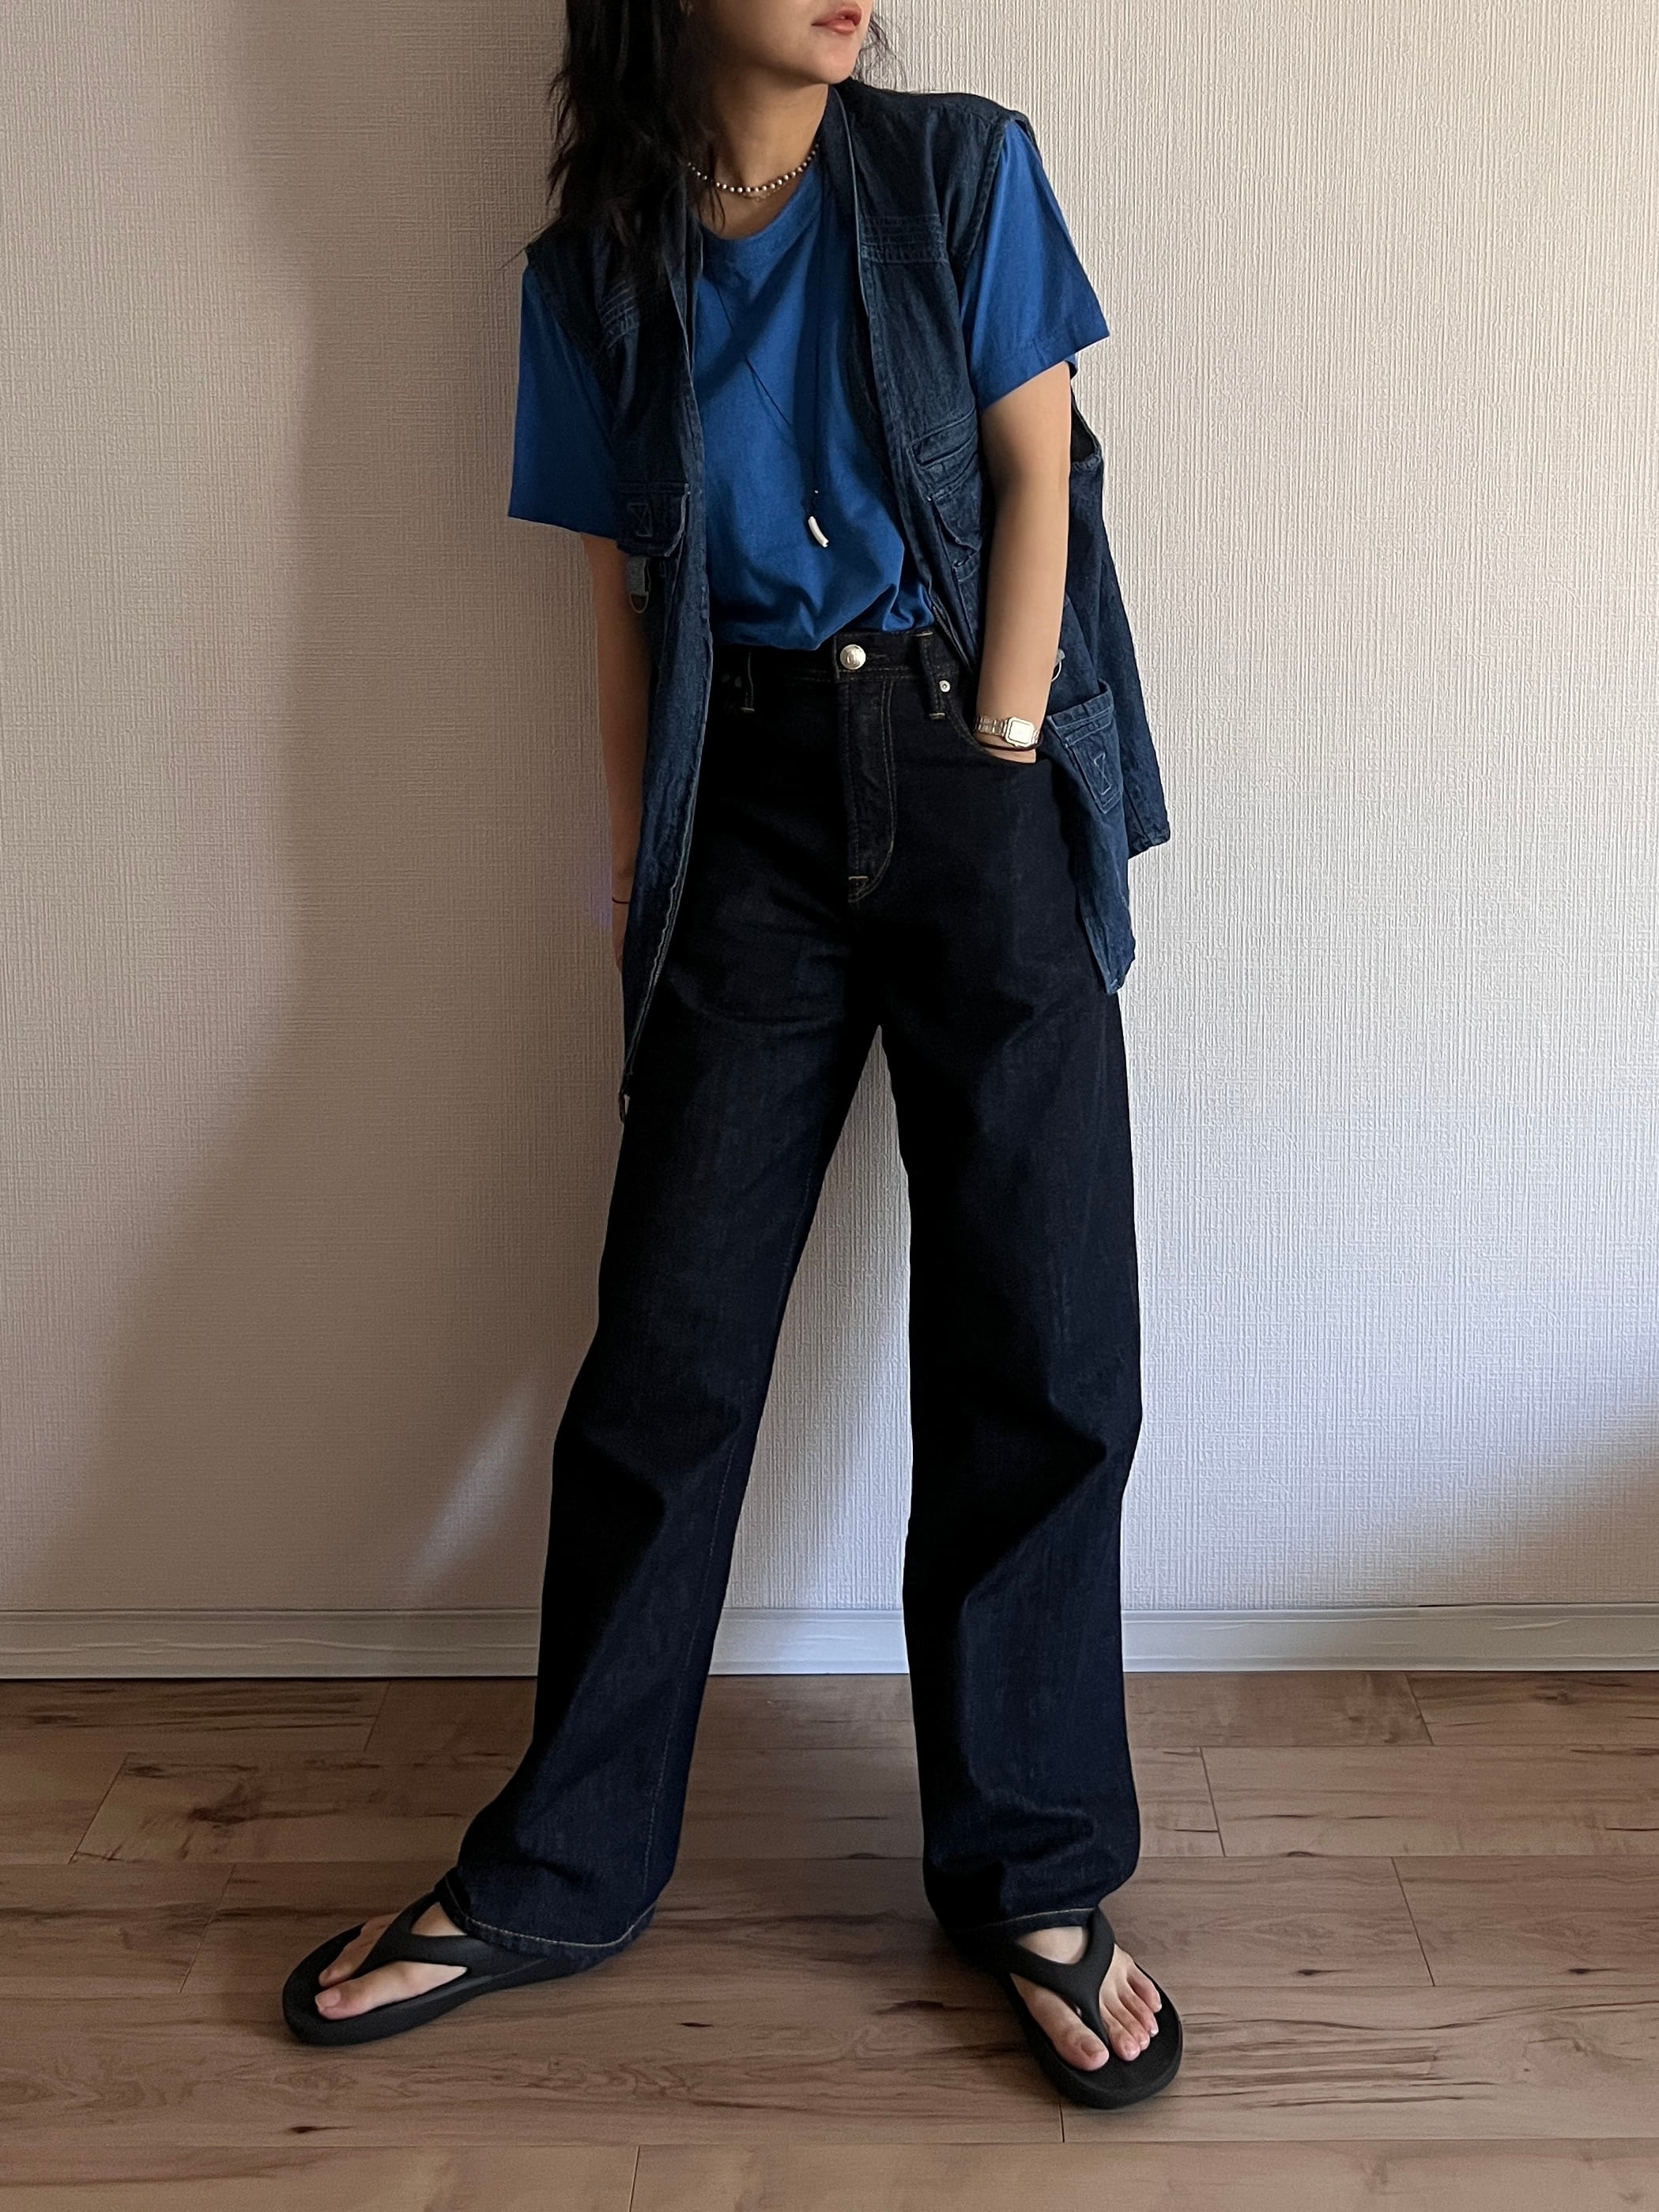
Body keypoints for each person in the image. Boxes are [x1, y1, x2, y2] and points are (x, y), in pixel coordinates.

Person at [282, 0, 1182, 2110]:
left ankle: (1034, 1872)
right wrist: (643, 882)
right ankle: (561, 1870)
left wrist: (1000, 753)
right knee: (666, 1363)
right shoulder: (587, 273)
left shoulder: (959, 169)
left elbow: (1038, 471)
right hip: (749, 816)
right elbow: (621, 606)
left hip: (972, 767)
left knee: (1041, 1341)